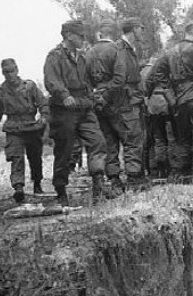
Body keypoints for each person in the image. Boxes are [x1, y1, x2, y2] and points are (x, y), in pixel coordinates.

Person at [44, 19, 111, 206]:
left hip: (83, 107)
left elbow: (87, 82)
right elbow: (51, 80)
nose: (83, 39)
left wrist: (92, 96)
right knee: (65, 151)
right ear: (68, 36)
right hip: (64, 110)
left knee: (98, 142)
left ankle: (98, 185)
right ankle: (60, 190)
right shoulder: (54, 56)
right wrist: (64, 95)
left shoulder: (81, 58)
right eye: (80, 36)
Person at [151, 20, 193, 182]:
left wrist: (169, 90)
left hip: (179, 99)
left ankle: (181, 172)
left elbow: (156, 72)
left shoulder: (170, 52)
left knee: (182, 137)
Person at [0, 58, 49, 203]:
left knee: (35, 157)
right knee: (16, 157)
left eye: (12, 71)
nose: (9, 75)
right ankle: (18, 187)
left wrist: (44, 116)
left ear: (17, 70)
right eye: (6, 72)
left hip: (32, 126)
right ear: (3, 73)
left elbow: (42, 102)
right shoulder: (0, 92)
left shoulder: (30, 86)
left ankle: (37, 184)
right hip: (13, 128)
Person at [85, 18, 126, 194]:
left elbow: (84, 80)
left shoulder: (89, 53)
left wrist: (96, 97)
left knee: (107, 140)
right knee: (128, 138)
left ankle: (113, 177)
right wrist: (106, 96)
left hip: (96, 102)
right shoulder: (116, 50)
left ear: (99, 33)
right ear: (113, 34)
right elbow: (119, 78)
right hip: (116, 101)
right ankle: (129, 178)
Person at [114, 17, 147, 189]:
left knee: (136, 137)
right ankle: (134, 179)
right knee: (132, 138)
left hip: (133, 99)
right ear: (133, 29)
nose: (142, 31)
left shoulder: (130, 49)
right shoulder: (120, 48)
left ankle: (135, 175)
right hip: (126, 101)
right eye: (141, 28)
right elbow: (120, 77)